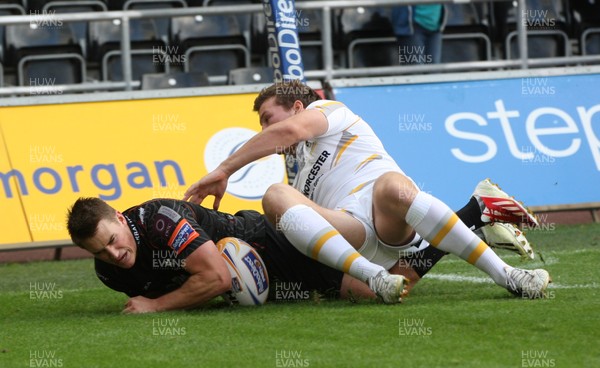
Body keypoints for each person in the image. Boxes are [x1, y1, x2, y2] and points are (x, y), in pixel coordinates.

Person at [184, 80, 550, 304]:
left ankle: (510, 277)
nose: (264, 127)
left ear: (297, 107)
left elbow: (287, 133)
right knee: (276, 195)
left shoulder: (328, 110)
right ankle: (469, 217)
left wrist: (222, 170)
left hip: (390, 218)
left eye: (267, 116)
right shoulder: (299, 176)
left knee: (392, 185)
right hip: (353, 236)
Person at [66, 186, 534, 313]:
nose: (113, 255)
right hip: (272, 277)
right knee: (387, 284)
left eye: (113, 241)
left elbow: (217, 278)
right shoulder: (110, 273)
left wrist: (155, 306)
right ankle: (475, 216)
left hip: (276, 243)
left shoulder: (160, 220)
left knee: (396, 283)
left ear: (120, 220)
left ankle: (474, 210)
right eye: (100, 252)